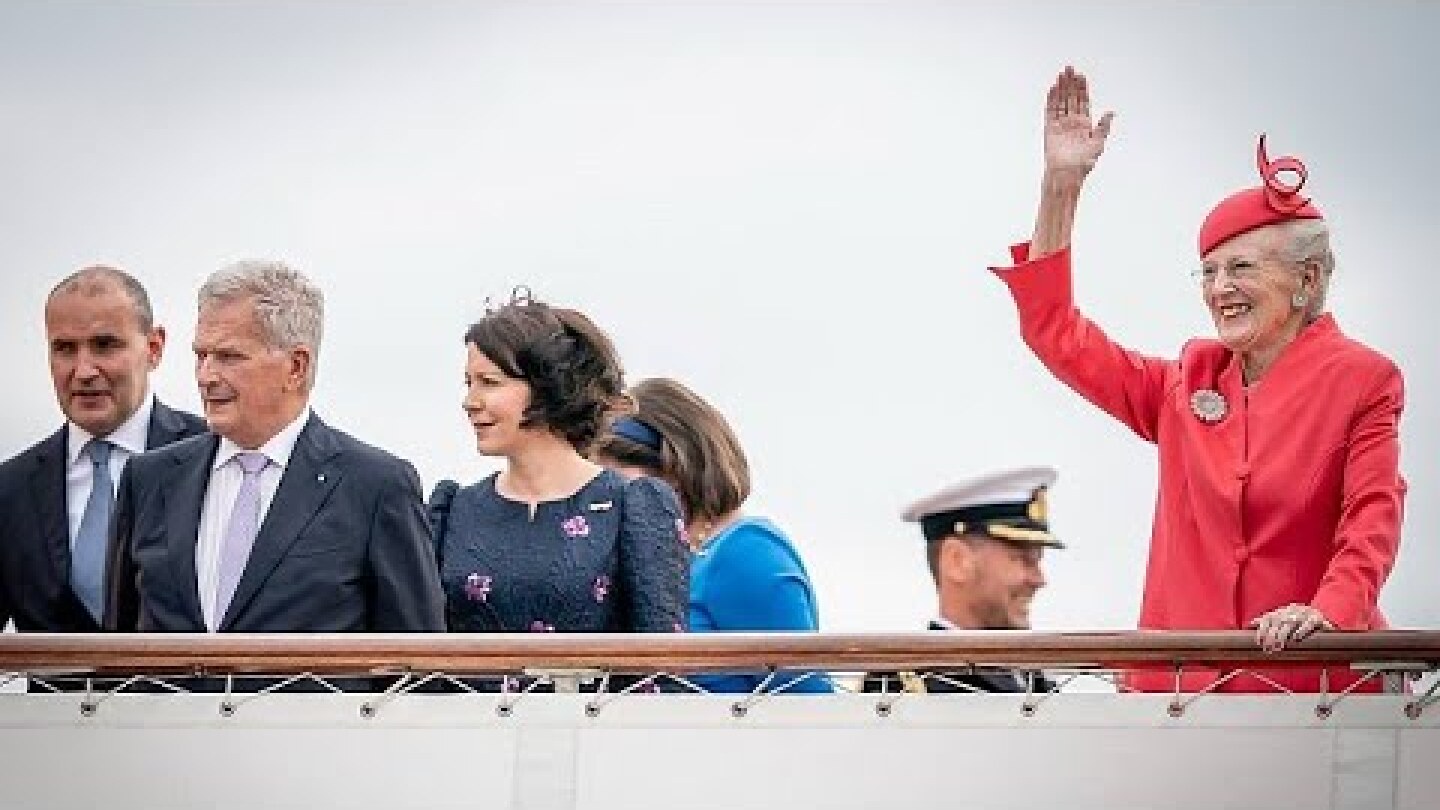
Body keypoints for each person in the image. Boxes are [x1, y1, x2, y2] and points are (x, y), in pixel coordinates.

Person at [988, 67, 1405, 692]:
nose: (1220, 289)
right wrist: (1061, 188)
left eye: (1240, 268)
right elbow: (1056, 333)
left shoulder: (1364, 380)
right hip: (1178, 697)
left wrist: (1328, 614)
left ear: (1307, 282)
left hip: (1312, 690)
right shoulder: (1185, 381)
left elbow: (1372, 517)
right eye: (1208, 273)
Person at [105, 260, 444, 634]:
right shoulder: (148, 479)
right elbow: (114, 649)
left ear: (296, 367)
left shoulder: (376, 487)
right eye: (201, 356)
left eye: (229, 357)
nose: (206, 377)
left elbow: (417, 665)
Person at [428, 291, 688, 650]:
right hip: (470, 708)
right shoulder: (454, 508)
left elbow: (659, 666)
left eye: (489, 383)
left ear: (547, 387)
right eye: (468, 383)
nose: (470, 402)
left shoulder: (634, 507)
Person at [0, 266, 207, 632]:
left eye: (105, 345)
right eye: (65, 349)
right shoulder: (11, 489)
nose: (83, 371)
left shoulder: (213, 458)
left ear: (154, 348)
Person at [594, 377, 832, 694]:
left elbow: (807, 700)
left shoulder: (746, 551)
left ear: (675, 470)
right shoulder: (660, 558)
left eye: (619, 487)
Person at [863, 467, 1060, 694]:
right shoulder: (904, 690)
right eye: (1023, 560)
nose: (1039, 579)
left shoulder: (1034, 680)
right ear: (957, 561)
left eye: (1038, 561)